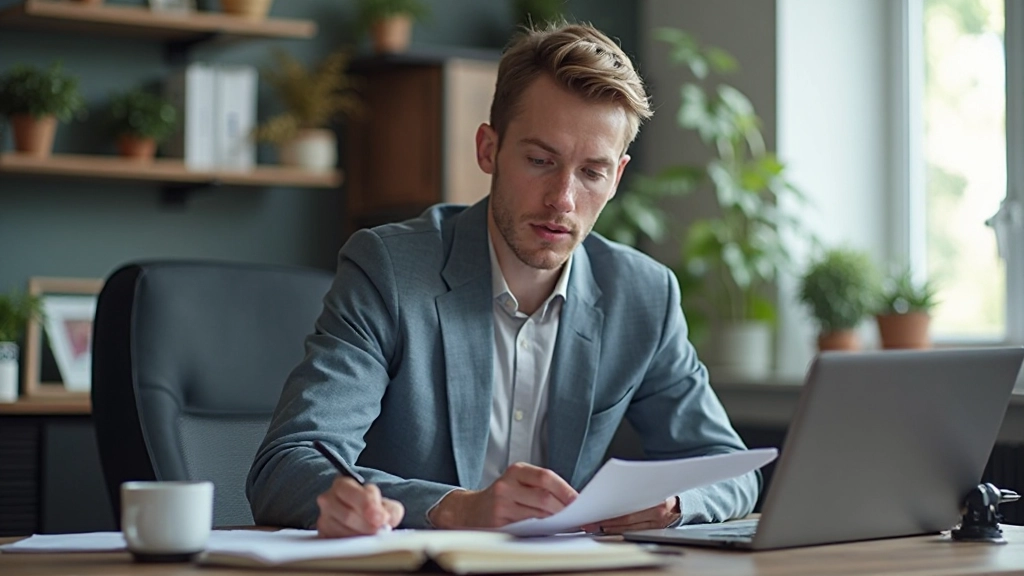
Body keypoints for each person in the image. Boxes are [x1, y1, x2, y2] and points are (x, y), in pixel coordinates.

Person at [247, 22, 759, 537]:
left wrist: (672, 503)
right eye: (540, 160)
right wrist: (453, 508)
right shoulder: (390, 271)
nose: (562, 199)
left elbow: (732, 469)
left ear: (617, 177)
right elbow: (286, 467)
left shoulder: (642, 295)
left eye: (591, 173)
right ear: (488, 149)